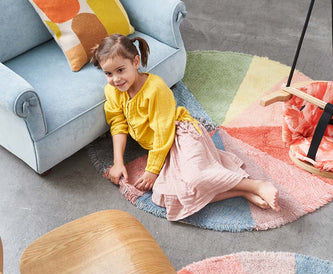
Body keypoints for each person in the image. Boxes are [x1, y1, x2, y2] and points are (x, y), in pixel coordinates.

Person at [91, 34, 280, 221]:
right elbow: (118, 124)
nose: (115, 79)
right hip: (163, 149)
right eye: (108, 74)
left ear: (135, 62)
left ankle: (256, 185)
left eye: (120, 70)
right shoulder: (113, 91)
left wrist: (152, 170)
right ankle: (240, 192)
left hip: (180, 134)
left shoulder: (155, 89)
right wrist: (118, 162)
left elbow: (164, 131)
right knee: (163, 196)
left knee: (196, 178)